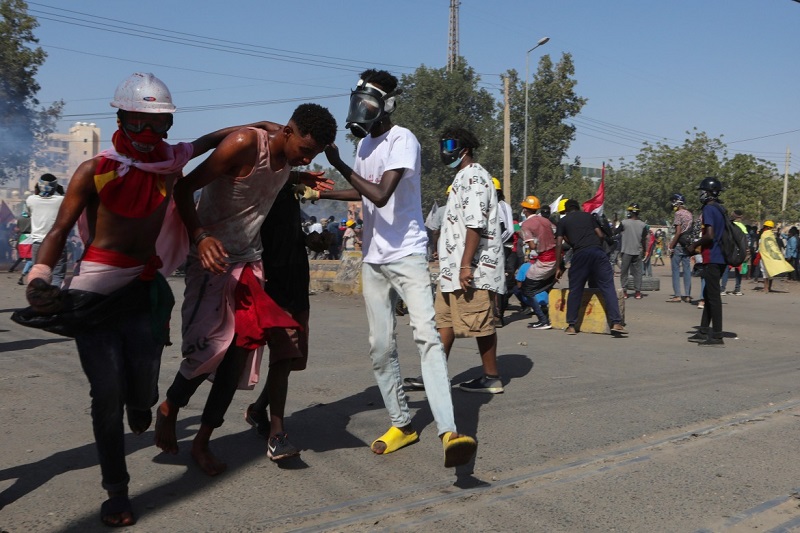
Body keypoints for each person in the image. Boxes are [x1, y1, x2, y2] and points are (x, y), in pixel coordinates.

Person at [12, 72, 273, 528]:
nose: (151, 135)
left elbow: (210, 140)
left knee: (144, 389)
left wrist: (257, 125)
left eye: (161, 125)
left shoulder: (170, 160)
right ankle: (116, 490)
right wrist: (38, 276)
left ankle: (144, 403)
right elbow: (57, 232)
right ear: (121, 119)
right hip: (93, 290)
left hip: (143, 289)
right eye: (141, 124)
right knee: (106, 393)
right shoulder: (94, 170)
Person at [304, 68, 477, 467]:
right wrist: (318, 189)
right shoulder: (364, 148)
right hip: (374, 258)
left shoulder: (403, 139)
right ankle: (402, 423)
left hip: (408, 254)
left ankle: (449, 431)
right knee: (380, 348)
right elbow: (364, 195)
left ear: (386, 105)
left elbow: (381, 194)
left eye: (368, 104)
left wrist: (338, 164)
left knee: (427, 338)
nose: (360, 110)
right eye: (357, 102)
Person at [153, 103, 337, 473]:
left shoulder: (289, 161)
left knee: (237, 352)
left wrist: (300, 178)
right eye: (304, 150)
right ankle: (171, 405)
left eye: (313, 155)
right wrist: (200, 236)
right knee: (209, 349)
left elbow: (277, 174)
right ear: (288, 131)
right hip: (211, 258)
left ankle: (203, 441)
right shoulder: (244, 144)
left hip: (249, 262)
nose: (306, 159)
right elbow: (185, 189)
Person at [244, 172, 334, 459]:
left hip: (297, 283)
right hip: (273, 286)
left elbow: (290, 234)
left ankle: (258, 410)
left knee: (294, 358)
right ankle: (277, 434)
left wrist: (313, 241)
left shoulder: (292, 192)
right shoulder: (260, 189)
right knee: (282, 358)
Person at [432, 127, 505, 393]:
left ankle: (491, 376)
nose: (444, 149)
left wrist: (465, 265)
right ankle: (435, 374)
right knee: (445, 320)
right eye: (442, 144)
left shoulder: (474, 177)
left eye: (450, 144)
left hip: (472, 268)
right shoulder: (461, 178)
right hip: (452, 269)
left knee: (479, 322)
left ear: (465, 148)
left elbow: (475, 225)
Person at [554, 199, 627, 336]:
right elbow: (600, 235)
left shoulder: (563, 221)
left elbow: (558, 244)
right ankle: (616, 322)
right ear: (577, 207)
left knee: (576, 289)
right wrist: (595, 247)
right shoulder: (588, 216)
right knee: (608, 287)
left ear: (567, 210)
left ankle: (571, 326)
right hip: (598, 254)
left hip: (580, 255)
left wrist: (558, 266)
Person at [686, 177, 727, 346]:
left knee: (714, 297)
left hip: (713, 257)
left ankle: (717, 336)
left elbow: (709, 235)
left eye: (702, 191)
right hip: (721, 257)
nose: (701, 194)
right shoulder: (720, 208)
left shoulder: (709, 209)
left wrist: (694, 245)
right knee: (709, 296)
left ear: (709, 193)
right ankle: (703, 331)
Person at [518, 194, 557, 329]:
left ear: (525, 210)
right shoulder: (546, 221)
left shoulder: (525, 224)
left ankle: (543, 320)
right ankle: (545, 314)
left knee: (526, 289)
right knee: (541, 285)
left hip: (544, 260)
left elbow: (533, 246)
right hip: (555, 258)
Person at [26, 174, 68, 287]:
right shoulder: (62, 200)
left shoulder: (30, 200)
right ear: (55, 187)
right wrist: (61, 192)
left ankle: (38, 302)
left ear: (39, 186)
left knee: (38, 276)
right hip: (56, 242)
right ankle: (55, 301)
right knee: (57, 275)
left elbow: (29, 214)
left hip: (38, 244)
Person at [493, 177, 515, 327]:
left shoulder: (503, 206)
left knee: (499, 281)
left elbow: (510, 230)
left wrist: (496, 243)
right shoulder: (490, 206)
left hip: (502, 249)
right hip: (492, 249)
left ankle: (498, 315)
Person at [666, 192, 694, 303]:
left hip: (678, 246)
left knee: (676, 271)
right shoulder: (689, 214)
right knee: (687, 270)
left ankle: (677, 295)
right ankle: (687, 295)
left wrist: (671, 245)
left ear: (677, 203)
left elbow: (678, 232)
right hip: (687, 245)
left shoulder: (678, 214)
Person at [616, 202, 648, 299]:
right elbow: (643, 240)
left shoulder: (624, 223)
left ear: (630, 212)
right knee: (638, 273)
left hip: (626, 251)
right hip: (637, 252)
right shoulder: (643, 225)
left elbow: (616, 232)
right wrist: (644, 251)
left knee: (624, 272)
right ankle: (637, 292)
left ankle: (624, 292)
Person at [721, 209, 747, 295]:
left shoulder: (730, 225)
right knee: (738, 270)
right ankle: (738, 289)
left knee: (726, 269)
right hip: (740, 251)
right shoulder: (743, 227)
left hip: (731, 251)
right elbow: (746, 240)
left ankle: (723, 289)